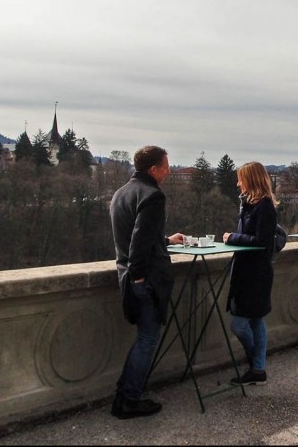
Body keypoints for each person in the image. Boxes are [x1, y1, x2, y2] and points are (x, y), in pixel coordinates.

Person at [110, 145, 186, 419]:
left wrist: (166, 240)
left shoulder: (121, 193)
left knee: (144, 338)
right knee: (147, 340)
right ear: (153, 169)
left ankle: (126, 395)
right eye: (166, 165)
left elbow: (134, 236)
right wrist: (141, 278)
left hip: (126, 274)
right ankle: (128, 399)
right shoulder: (153, 196)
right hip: (146, 279)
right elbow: (139, 243)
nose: (169, 170)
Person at [223, 161, 278, 386]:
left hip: (255, 274)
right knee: (256, 320)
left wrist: (231, 237)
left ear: (251, 180)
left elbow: (262, 241)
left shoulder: (264, 205)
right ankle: (258, 368)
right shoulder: (250, 203)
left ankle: (256, 362)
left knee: (240, 323)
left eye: (240, 179)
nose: (237, 183)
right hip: (250, 272)